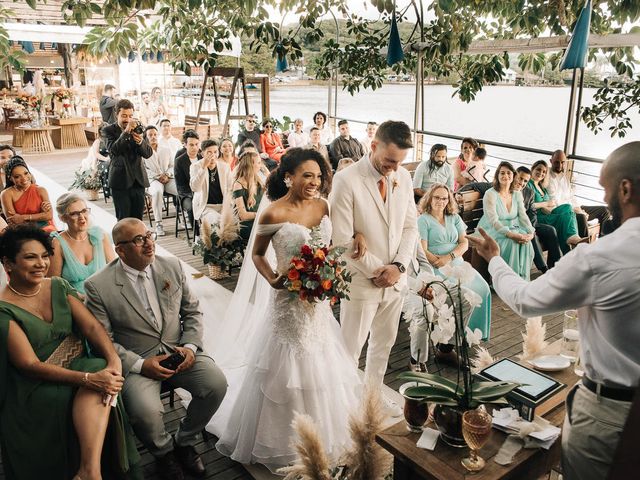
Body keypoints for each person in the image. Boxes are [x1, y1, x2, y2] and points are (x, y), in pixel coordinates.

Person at [468, 141, 640, 480]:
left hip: (611, 415)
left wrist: (495, 259)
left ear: (625, 189)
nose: (604, 200)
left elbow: (526, 300)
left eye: (605, 189)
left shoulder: (600, 258)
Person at [214, 148, 360, 473]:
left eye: (319, 176)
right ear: (288, 176)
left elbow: (328, 248)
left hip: (317, 304)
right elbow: (257, 255)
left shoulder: (323, 206)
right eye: (307, 175)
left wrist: (330, 273)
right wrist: (273, 280)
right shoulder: (272, 214)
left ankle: (320, 437)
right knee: (282, 370)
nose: (314, 182)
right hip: (287, 304)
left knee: (321, 363)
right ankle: (281, 441)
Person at [84, 218, 228, 480]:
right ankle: (164, 453)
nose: (149, 243)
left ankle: (184, 441)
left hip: (180, 352)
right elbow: (103, 340)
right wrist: (140, 365)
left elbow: (192, 311)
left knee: (217, 384)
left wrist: (189, 347)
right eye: (139, 240)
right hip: (138, 362)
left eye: (148, 235)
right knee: (145, 413)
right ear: (120, 249)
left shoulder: (171, 265)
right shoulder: (98, 286)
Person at [0, 224, 140, 480]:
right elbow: (29, 365)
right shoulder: (3, 310)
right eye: (30, 257)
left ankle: (90, 470)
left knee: (102, 372)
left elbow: (92, 327)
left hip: (77, 365)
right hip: (35, 384)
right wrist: (89, 379)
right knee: (96, 379)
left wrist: (113, 362)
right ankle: (90, 472)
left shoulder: (57, 286)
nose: (41, 263)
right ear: (8, 264)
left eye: (44, 255)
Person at [330, 120, 418, 415]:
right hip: (361, 283)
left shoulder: (402, 177)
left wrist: (399, 267)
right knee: (350, 350)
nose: (393, 168)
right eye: (389, 161)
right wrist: (379, 271)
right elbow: (342, 241)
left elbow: (410, 227)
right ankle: (342, 408)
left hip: (395, 282)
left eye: (400, 162)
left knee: (383, 345)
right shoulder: (346, 180)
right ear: (373, 146)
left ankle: (371, 399)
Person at [417, 184, 491, 345]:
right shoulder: (423, 220)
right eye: (437, 197)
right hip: (435, 265)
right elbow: (422, 249)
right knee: (458, 294)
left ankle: (471, 334)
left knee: (482, 289)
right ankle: (450, 340)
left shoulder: (454, 218)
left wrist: (449, 257)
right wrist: (438, 261)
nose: (441, 201)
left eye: (444, 198)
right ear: (430, 198)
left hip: (456, 262)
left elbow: (464, 243)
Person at [48, 193, 116, 295]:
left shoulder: (100, 236)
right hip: (74, 300)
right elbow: (54, 283)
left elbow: (115, 272)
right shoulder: (58, 243)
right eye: (74, 213)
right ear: (63, 218)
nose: (82, 217)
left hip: (105, 296)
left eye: (84, 211)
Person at [477, 161, 534, 280]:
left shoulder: (517, 194)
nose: (505, 176)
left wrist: (530, 232)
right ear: (497, 176)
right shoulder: (490, 194)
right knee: (511, 242)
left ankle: (521, 278)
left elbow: (523, 215)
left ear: (514, 176)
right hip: (492, 229)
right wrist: (511, 235)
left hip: (513, 227)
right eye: (502, 173)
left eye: (509, 173)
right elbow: (493, 221)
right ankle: (505, 279)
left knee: (526, 241)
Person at [102, 99, 153, 221]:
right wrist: (126, 132)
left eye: (130, 116)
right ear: (116, 115)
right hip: (120, 181)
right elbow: (114, 150)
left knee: (137, 220)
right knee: (123, 220)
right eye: (124, 116)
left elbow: (148, 153)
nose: (128, 119)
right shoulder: (108, 130)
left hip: (138, 181)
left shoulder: (140, 128)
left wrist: (140, 142)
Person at [547, 150, 613, 236]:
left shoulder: (564, 177)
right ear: (551, 161)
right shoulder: (548, 178)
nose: (560, 165)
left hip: (574, 208)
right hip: (563, 213)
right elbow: (556, 203)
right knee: (582, 218)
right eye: (556, 162)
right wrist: (579, 212)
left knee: (605, 211)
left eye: (563, 162)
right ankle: (583, 246)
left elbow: (571, 197)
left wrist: (580, 209)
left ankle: (602, 243)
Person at [529, 160, 587, 254]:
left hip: (547, 214)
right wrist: (546, 204)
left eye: (544, 171)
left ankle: (573, 237)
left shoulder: (542, 186)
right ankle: (569, 248)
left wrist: (549, 207)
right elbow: (528, 205)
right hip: (537, 218)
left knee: (568, 208)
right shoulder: (528, 185)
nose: (541, 173)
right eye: (538, 169)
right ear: (532, 169)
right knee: (563, 220)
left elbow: (550, 205)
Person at [513, 166, 562, 272]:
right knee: (532, 236)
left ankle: (557, 266)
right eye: (520, 178)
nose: (522, 182)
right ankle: (544, 268)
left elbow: (532, 212)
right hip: (514, 224)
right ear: (515, 175)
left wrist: (531, 226)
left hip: (529, 223)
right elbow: (484, 186)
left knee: (551, 230)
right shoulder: (507, 188)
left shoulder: (529, 192)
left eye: (525, 180)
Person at [1, 157, 56, 233]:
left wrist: (23, 217)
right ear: (10, 178)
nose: (24, 179)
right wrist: (41, 215)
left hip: (46, 229)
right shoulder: (6, 194)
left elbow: (49, 215)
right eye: (17, 176)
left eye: (26, 173)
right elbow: (14, 222)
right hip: (22, 232)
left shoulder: (41, 190)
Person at [144, 125, 178, 237]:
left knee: (181, 189)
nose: (153, 137)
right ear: (145, 137)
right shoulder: (143, 152)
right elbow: (143, 170)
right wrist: (158, 176)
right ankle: (159, 223)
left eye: (155, 134)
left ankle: (185, 216)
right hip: (152, 180)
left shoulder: (166, 149)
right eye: (150, 135)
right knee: (157, 192)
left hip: (167, 178)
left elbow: (173, 165)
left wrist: (167, 174)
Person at [190, 139, 233, 226]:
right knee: (219, 221)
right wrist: (203, 167)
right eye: (209, 152)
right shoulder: (195, 166)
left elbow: (230, 189)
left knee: (235, 222)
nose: (213, 155)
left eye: (215, 152)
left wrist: (228, 207)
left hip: (223, 206)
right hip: (205, 207)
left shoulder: (225, 167)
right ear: (202, 154)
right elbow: (195, 188)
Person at [232, 150, 266, 241]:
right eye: (258, 163)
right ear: (250, 165)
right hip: (248, 224)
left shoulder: (258, 179)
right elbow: (243, 215)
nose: (260, 165)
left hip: (261, 219)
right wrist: (260, 214)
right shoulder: (238, 184)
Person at [173, 129, 201, 228]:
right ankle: (196, 234)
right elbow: (180, 185)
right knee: (192, 205)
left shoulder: (202, 157)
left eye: (197, 144)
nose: (195, 147)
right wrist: (194, 195)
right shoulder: (179, 161)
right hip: (186, 195)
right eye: (191, 145)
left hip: (203, 191)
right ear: (185, 145)